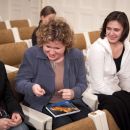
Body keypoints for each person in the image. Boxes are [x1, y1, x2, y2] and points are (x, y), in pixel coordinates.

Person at [16, 18, 91, 129]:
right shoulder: (31, 54)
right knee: (65, 125)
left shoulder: (76, 55)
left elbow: (82, 83)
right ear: (42, 42)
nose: (51, 52)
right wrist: (32, 87)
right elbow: (19, 83)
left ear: (66, 45)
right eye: (48, 46)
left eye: (57, 48)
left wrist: (74, 92)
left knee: (88, 121)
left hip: (71, 102)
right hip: (42, 103)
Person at [86, 11, 130, 130]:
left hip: (114, 88)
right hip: (97, 90)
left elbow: (125, 78)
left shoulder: (127, 46)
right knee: (118, 104)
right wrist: (118, 94)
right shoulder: (97, 48)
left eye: (116, 30)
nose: (111, 33)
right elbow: (97, 83)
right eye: (108, 28)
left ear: (124, 30)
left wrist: (126, 93)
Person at [0, 61, 29, 130]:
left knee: (22, 128)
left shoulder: (0, 66)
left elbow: (8, 96)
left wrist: (16, 111)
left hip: (4, 116)